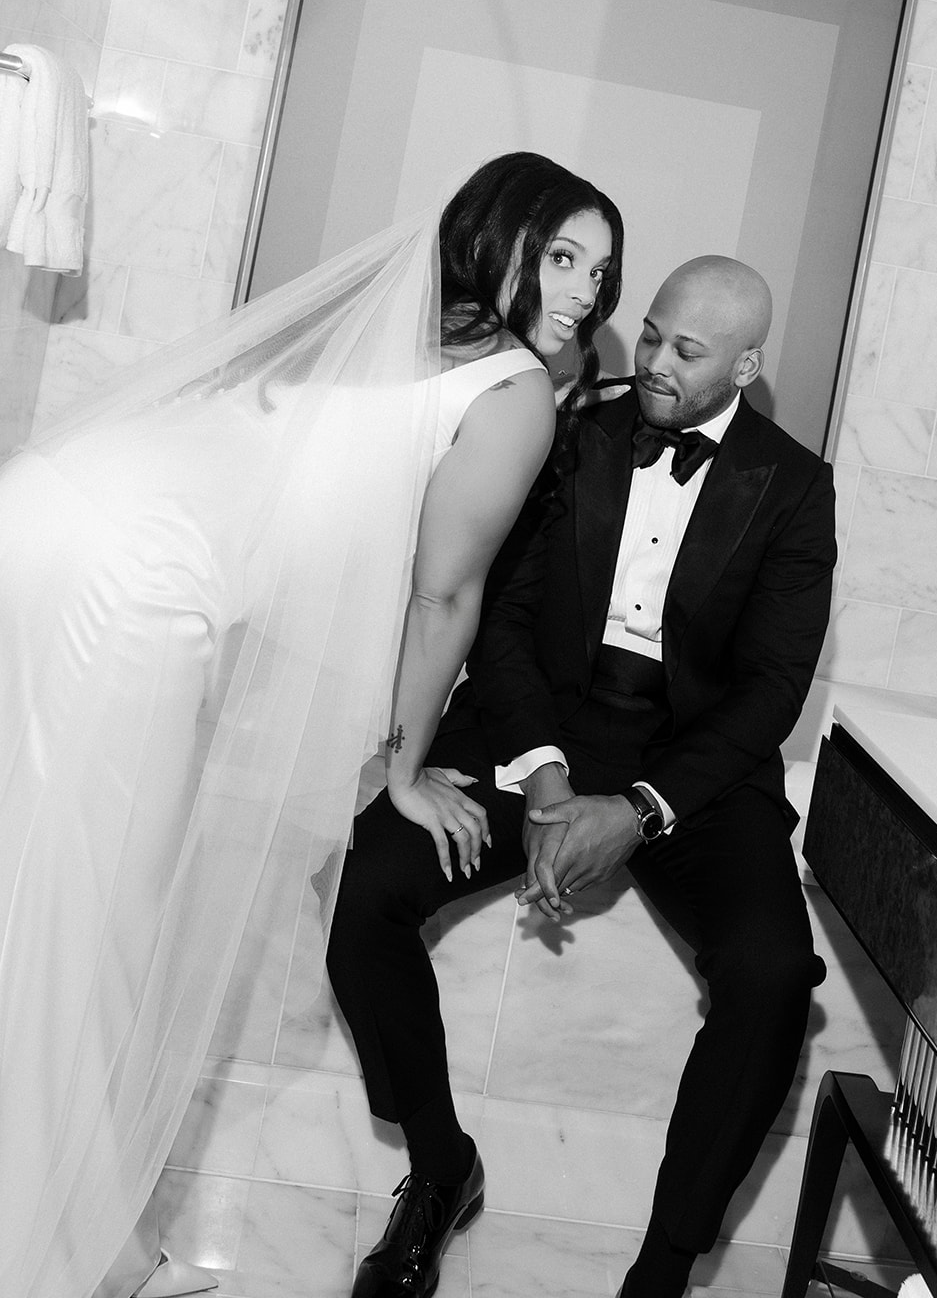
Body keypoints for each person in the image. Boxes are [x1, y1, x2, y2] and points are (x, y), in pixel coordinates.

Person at [0, 152, 623, 1298]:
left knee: (25, 880)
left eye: (599, 267)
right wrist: (401, 766)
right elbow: (443, 593)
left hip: (40, 505)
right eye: (561, 254)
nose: (584, 288)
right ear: (502, 240)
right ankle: (53, 1260)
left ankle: (83, 1241)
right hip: (133, 577)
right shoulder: (515, 389)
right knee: (98, 925)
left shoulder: (381, 323)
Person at [326, 254, 837, 1298]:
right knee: (363, 881)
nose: (649, 360)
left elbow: (771, 689)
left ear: (744, 363)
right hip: (537, 723)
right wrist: (547, 776)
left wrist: (642, 808)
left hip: (692, 768)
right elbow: (500, 618)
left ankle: (662, 1267)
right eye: (646, 333)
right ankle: (437, 1167)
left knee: (773, 972)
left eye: (683, 351)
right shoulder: (567, 430)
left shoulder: (792, 486)